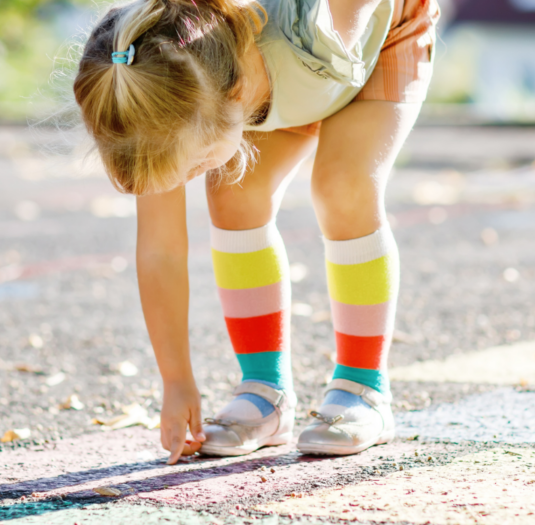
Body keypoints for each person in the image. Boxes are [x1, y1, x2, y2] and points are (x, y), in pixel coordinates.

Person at [73, 0, 438, 464]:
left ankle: (363, 388)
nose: (188, 177)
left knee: (342, 186)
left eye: (197, 160)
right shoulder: (165, 85)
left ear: (237, 94)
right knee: (232, 192)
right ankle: (266, 391)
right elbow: (160, 252)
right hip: (295, 76)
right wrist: (177, 379)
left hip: (378, 37)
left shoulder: (316, 25)